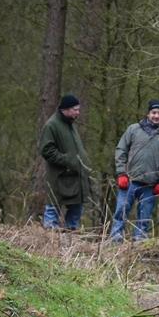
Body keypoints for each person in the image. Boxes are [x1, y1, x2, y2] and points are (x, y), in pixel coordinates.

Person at [110, 99, 159, 242]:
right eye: (153, 112)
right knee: (121, 212)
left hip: (151, 185)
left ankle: (139, 243)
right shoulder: (133, 129)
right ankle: (115, 241)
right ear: (148, 114)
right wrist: (121, 173)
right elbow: (121, 150)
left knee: (145, 217)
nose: (156, 116)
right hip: (129, 180)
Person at [38, 93, 90, 230]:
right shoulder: (52, 125)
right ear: (65, 109)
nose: (78, 113)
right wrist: (68, 160)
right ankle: (49, 240)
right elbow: (46, 150)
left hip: (75, 177)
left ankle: (71, 241)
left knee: (75, 212)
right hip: (59, 177)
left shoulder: (70, 124)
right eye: (75, 109)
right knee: (53, 206)